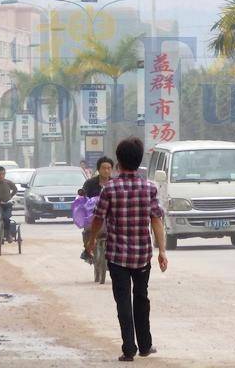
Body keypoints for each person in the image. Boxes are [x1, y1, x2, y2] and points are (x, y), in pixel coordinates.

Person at [87, 137, 168, 362]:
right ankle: (145, 345)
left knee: (123, 300)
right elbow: (157, 221)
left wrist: (91, 240)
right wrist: (161, 251)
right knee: (141, 297)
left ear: (118, 162)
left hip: (117, 255)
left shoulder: (110, 188)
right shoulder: (149, 188)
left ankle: (129, 349)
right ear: (139, 160)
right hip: (142, 255)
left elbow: (97, 218)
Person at [80, 156, 114, 261]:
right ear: (98, 169)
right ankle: (87, 251)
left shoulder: (115, 183)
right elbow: (83, 196)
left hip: (111, 216)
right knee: (87, 231)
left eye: (109, 168)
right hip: (94, 215)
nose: (106, 170)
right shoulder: (90, 183)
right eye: (104, 168)